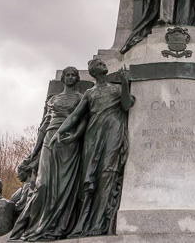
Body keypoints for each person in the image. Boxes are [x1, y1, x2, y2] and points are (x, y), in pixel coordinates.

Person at [50, 59, 134, 238]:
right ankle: (84, 221)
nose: (103, 64)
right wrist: (59, 131)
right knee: (89, 177)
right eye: (99, 64)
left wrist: (125, 83)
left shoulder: (116, 89)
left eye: (102, 63)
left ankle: (99, 221)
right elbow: (74, 116)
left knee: (107, 173)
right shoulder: (89, 93)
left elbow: (126, 105)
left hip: (113, 130)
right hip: (93, 135)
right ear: (93, 71)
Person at [11, 67, 85, 241]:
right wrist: (34, 153)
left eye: (73, 75)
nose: (70, 77)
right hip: (50, 140)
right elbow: (44, 127)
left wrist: (74, 136)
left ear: (77, 79)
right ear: (63, 78)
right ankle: (37, 225)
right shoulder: (53, 99)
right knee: (43, 185)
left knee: (63, 185)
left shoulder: (80, 99)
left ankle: (56, 226)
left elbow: (82, 121)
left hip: (69, 142)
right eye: (67, 75)